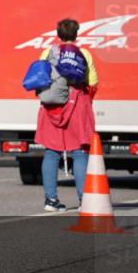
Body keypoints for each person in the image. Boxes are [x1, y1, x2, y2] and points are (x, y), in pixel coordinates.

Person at [35, 18, 98, 212]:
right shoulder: (84, 53)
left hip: (52, 106)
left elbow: (39, 77)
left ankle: (51, 200)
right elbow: (93, 83)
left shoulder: (47, 52)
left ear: (58, 34)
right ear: (76, 34)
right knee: (79, 152)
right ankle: (83, 200)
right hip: (77, 105)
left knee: (51, 152)